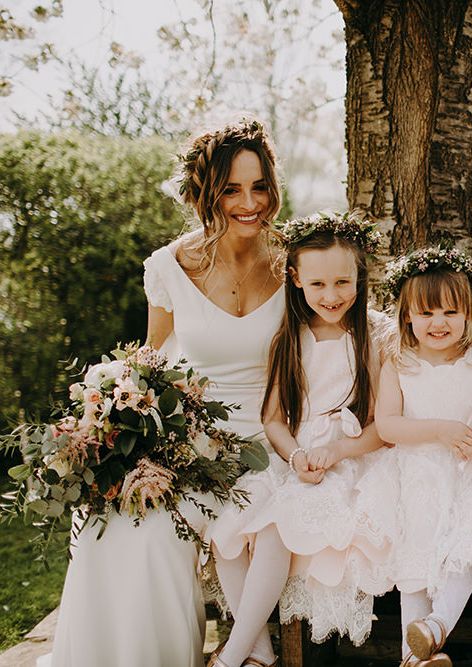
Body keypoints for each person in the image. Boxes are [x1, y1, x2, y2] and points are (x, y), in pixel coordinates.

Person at [42, 118, 285, 667]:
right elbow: (150, 359)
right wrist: (108, 424)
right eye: (231, 189)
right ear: (206, 193)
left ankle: (250, 652)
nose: (249, 203)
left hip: (271, 439)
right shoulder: (170, 266)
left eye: (259, 186)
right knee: (134, 526)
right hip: (192, 441)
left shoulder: (294, 262)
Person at [206, 212, 396, 667]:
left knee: (276, 528)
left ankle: (231, 658)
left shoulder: (375, 337)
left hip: (349, 457)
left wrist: (336, 451)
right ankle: (260, 654)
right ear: (295, 280)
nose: (331, 296)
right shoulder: (289, 337)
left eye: (342, 283)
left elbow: (383, 427)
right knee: (225, 532)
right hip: (295, 457)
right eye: (318, 285)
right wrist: (294, 457)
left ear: (359, 276)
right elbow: (272, 419)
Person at [375, 246, 472, 667]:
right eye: (427, 313)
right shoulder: (398, 364)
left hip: (468, 476)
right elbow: (387, 426)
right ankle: (412, 656)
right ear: (407, 318)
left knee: (466, 551)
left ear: (469, 315)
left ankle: (436, 628)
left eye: (451, 312)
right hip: (416, 475)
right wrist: (439, 429)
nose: (439, 323)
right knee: (414, 564)